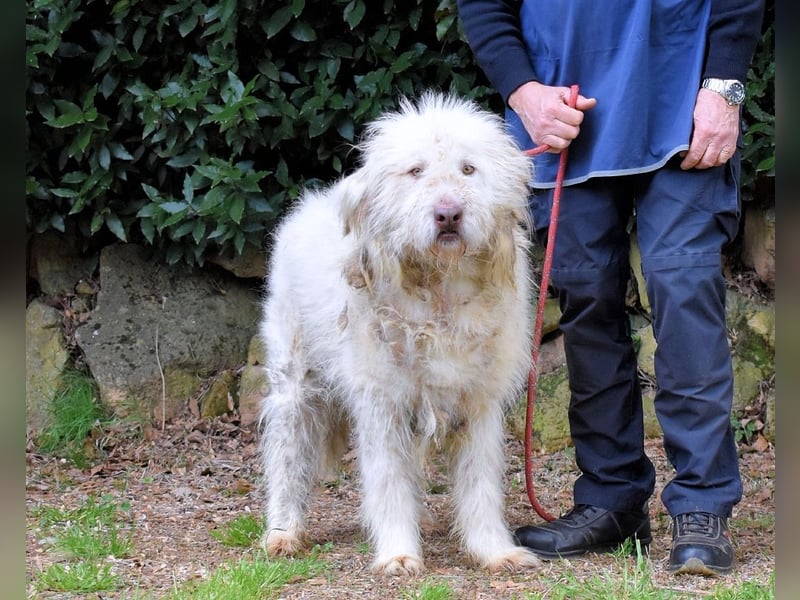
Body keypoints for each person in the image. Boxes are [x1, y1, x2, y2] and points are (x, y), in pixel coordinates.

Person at [456, 0, 765, 576]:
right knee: (585, 298)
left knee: (684, 293)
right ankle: (611, 500)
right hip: (562, 112)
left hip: (681, 106)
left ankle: (701, 506)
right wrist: (524, 93)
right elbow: (483, 6)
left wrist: (724, 89)